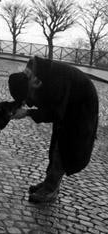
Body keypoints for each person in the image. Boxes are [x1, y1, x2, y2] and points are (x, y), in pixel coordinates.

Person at [8, 56, 99, 203]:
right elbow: (38, 95)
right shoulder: (35, 73)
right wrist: (24, 101)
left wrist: (27, 112)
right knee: (55, 145)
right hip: (68, 108)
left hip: (80, 113)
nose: (28, 101)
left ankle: (51, 189)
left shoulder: (55, 81)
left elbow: (54, 112)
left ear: (33, 83)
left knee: (63, 150)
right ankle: (49, 182)